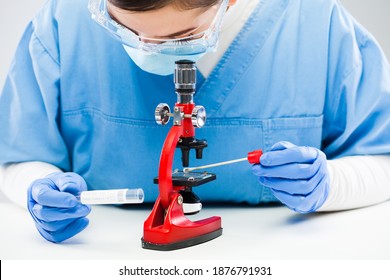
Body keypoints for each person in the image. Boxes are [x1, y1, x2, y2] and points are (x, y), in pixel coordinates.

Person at [0, 0, 390, 243]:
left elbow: (382, 159)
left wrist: (331, 185)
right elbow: (18, 154)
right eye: (125, 31)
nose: (147, 50)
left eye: (183, 36)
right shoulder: (62, 22)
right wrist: (38, 188)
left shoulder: (316, 24)